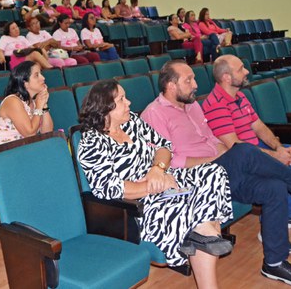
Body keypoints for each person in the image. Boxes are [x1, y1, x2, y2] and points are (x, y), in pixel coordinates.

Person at [141, 60, 291, 289]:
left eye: (194, 78)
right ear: (171, 86)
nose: (195, 84)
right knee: (242, 150)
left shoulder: (192, 106)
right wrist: (215, 161)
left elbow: (212, 140)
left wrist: (224, 158)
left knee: (274, 187)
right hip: (193, 180)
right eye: (188, 80)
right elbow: (168, 162)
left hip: (220, 174)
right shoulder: (154, 115)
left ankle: (275, 263)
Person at [79, 79, 234, 288]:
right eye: (122, 99)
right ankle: (206, 235)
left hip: (164, 181)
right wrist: (157, 185)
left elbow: (164, 146)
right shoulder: (92, 143)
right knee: (199, 215)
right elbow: (111, 189)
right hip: (141, 207)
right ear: (105, 107)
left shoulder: (132, 122)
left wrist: (157, 169)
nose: (129, 103)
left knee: (213, 171)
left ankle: (203, 232)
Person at [203, 55, 291, 231]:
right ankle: (279, 216)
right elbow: (235, 147)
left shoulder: (240, 96)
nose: (247, 71)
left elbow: (259, 127)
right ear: (226, 77)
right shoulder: (215, 105)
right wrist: (275, 156)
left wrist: (279, 148)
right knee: (283, 166)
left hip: (256, 149)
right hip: (243, 159)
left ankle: (289, 216)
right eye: (241, 69)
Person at [0, 61, 53, 147]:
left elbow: (47, 132)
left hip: (24, 151)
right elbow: (29, 133)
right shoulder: (12, 101)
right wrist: (38, 108)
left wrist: (44, 104)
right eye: (36, 75)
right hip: (5, 154)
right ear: (25, 83)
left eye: (41, 74)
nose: (43, 78)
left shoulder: (34, 102)